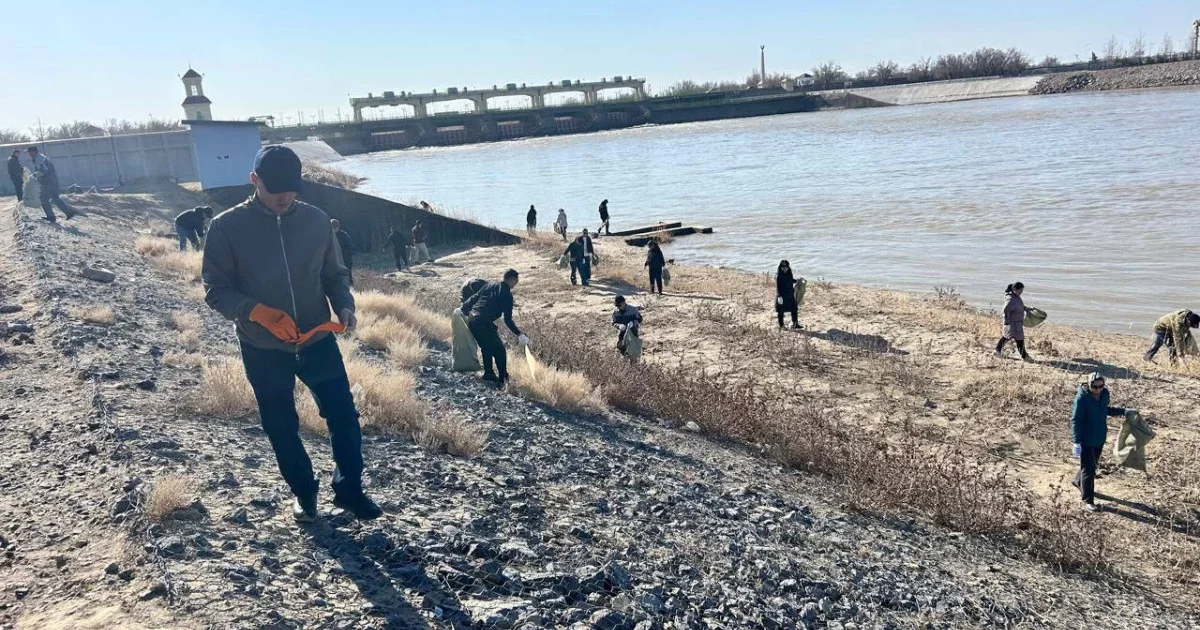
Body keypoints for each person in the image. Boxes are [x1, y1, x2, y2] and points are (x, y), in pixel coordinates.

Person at [201, 145, 380, 522]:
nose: (285, 196)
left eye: (292, 188)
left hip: (317, 339)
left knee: (344, 416)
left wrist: (344, 305)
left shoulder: (317, 221)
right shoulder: (226, 227)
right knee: (281, 427)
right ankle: (304, 492)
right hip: (261, 345)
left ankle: (349, 489)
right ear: (254, 181)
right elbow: (216, 290)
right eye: (276, 188)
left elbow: (334, 274)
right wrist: (256, 312)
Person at [1070, 372, 1128, 512]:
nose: (1098, 389)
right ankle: (1088, 500)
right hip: (1086, 439)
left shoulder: (1104, 395)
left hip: (1099, 437)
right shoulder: (1082, 399)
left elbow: (1104, 410)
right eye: (1095, 387)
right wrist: (1076, 441)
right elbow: (1075, 420)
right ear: (1089, 385)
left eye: (1101, 386)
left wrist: (1124, 411)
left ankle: (1078, 481)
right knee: (1089, 470)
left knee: (1091, 465)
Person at [460, 269, 527, 387]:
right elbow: (507, 320)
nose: (516, 284)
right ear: (512, 280)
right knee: (499, 350)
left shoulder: (489, 285)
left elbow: (474, 297)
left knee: (487, 347)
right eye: (516, 281)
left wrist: (464, 309)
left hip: (472, 320)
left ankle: (489, 374)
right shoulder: (507, 294)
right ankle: (503, 379)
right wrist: (519, 334)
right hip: (483, 322)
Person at [27, 146, 78, 222]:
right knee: (55, 198)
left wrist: (34, 176)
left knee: (43, 199)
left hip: (47, 181)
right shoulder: (42, 157)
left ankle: (51, 216)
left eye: (29, 152)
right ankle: (68, 212)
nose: (29, 154)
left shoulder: (38, 159)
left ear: (33, 151)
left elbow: (43, 171)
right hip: (52, 180)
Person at [995, 282, 1032, 361]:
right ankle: (1025, 356)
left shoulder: (1016, 297)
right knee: (1018, 339)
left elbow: (1019, 306)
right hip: (1012, 324)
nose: (1021, 292)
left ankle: (998, 351)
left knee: (1007, 337)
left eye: (1022, 290)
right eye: (1020, 290)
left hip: (1017, 323)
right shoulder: (1010, 299)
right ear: (1015, 289)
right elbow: (1005, 310)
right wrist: (1006, 322)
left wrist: (1026, 309)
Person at [775, 260, 802, 329]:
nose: (784, 268)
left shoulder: (789, 274)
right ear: (780, 267)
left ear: (788, 267)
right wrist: (779, 296)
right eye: (783, 267)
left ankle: (795, 324)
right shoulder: (779, 276)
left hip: (790, 295)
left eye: (786, 266)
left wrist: (796, 281)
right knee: (781, 311)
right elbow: (778, 287)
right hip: (782, 296)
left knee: (794, 309)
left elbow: (791, 280)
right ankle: (781, 326)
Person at [331, 219, 355, 285]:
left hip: (345, 258)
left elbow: (350, 247)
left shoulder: (344, 235)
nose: (333, 230)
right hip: (334, 259)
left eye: (334, 228)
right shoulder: (328, 235)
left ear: (338, 227)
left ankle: (350, 288)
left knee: (347, 275)